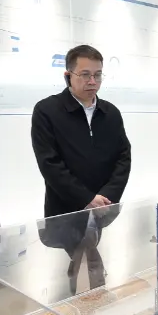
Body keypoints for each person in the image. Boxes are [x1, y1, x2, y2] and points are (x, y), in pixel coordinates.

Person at [31, 44, 131, 292]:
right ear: (68, 76)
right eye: (85, 74)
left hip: (104, 207)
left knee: (88, 253)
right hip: (66, 208)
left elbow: (123, 157)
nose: (92, 81)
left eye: (97, 75)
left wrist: (107, 196)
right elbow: (49, 164)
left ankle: (89, 298)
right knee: (84, 256)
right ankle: (88, 299)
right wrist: (86, 198)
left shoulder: (110, 113)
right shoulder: (46, 111)